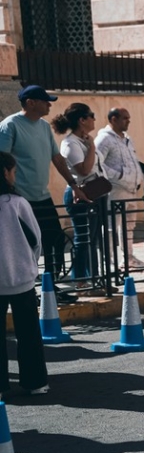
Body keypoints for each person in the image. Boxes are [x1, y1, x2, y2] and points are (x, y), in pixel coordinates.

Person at [0, 85, 87, 303]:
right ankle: (29, 291)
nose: (49, 105)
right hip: (19, 199)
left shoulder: (44, 127)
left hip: (42, 196)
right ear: (30, 103)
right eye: (45, 101)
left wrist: (73, 185)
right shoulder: (10, 125)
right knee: (24, 246)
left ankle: (50, 288)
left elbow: (57, 158)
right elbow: (2, 161)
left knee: (53, 241)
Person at [0, 151, 49, 399]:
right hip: (21, 278)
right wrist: (31, 264)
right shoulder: (18, 203)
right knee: (28, 333)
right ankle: (35, 382)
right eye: (13, 171)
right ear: (5, 173)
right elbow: (35, 239)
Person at [52, 103, 103, 287]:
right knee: (83, 239)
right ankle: (80, 281)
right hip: (80, 194)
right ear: (82, 120)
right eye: (91, 115)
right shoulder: (70, 143)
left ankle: (95, 279)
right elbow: (84, 170)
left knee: (93, 240)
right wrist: (92, 147)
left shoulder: (84, 140)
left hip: (95, 192)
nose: (94, 119)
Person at [96, 107, 144, 269]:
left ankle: (128, 258)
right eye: (125, 118)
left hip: (131, 189)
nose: (128, 121)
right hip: (116, 190)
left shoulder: (127, 139)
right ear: (113, 119)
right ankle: (108, 261)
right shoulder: (104, 139)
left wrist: (138, 177)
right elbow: (97, 163)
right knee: (111, 227)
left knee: (129, 226)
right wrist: (119, 176)